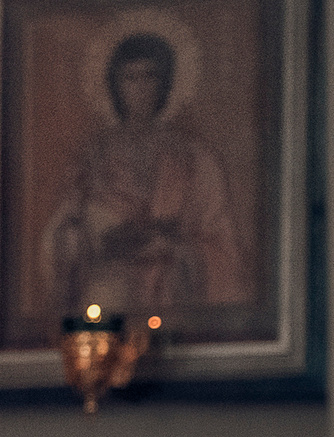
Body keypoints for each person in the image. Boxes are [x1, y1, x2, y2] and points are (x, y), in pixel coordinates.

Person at [42, 31, 243, 315]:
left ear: (165, 84)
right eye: (130, 78)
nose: (140, 88)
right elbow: (64, 230)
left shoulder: (194, 157)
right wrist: (85, 239)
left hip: (171, 292)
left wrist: (176, 250)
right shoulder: (93, 157)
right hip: (109, 294)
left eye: (149, 76)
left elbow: (220, 241)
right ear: (116, 85)